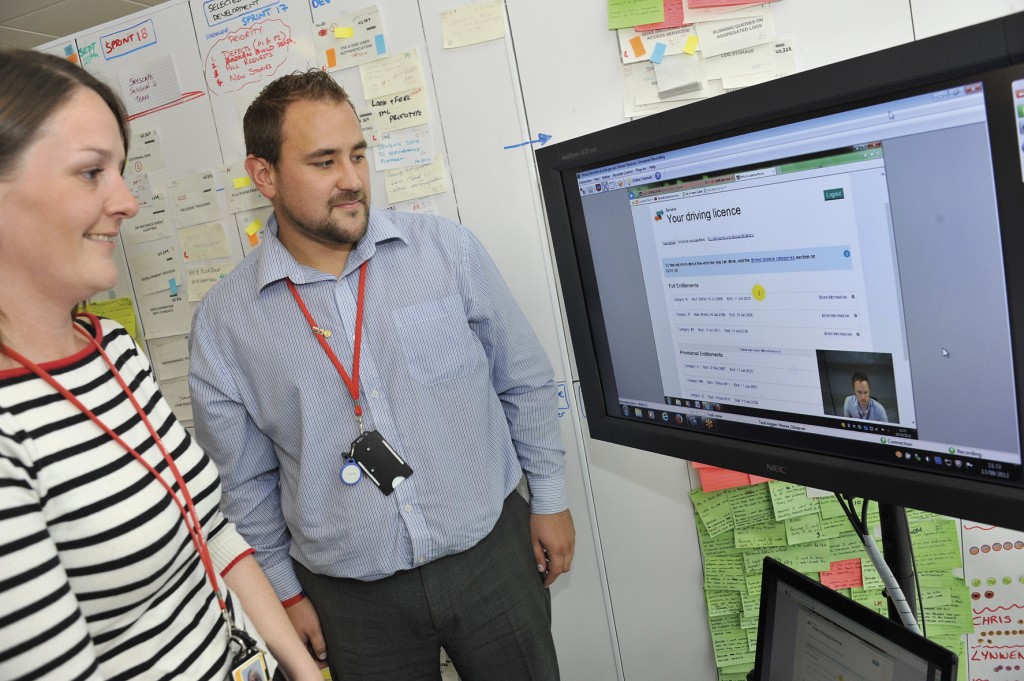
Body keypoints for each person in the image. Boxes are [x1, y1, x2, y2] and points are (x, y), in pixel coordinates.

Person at [188, 69, 575, 680]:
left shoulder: (445, 252)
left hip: (491, 556)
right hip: (349, 599)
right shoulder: (224, 323)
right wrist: (285, 594)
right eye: (323, 162)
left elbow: (522, 379)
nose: (351, 180)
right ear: (264, 175)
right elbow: (245, 482)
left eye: (358, 155)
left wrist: (548, 498)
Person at [0, 50, 322, 681]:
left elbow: (209, 527)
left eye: (121, 170)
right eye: (92, 173)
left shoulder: (112, 349)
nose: (126, 201)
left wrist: (303, 673)